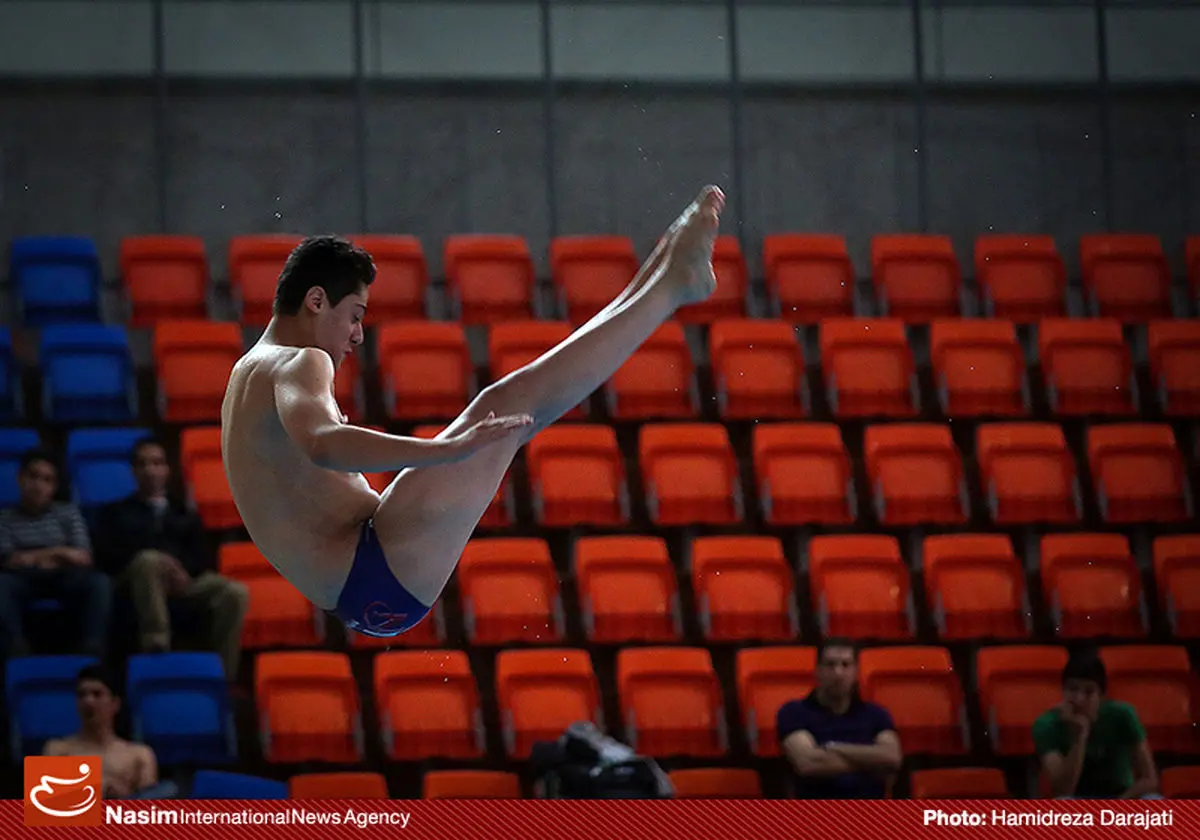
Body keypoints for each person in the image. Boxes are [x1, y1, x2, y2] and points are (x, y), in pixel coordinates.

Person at [221, 185, 725, 637]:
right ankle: (669, 284)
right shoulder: (300, 361)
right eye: (354, 315)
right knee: (507, 408)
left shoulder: (248, 371)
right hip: (374, 563)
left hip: (362, 586)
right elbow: (324, 445)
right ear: (315, 301)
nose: (357, 334)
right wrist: (445, 451)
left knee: (507, 410)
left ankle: (665, 273)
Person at [93, 436, 248, 680]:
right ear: (133, 471)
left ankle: (223, 675)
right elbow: (108, 556)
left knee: (235, 592)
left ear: (167, 470)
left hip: (183, 581)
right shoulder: (116, 512)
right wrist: (161, 563)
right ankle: (157, 644)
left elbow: (203, 558)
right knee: (148, 560)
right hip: (134, 580)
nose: (150, 470)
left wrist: (182, 573)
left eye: (156, 463)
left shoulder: (184, 513)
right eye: (143, 464)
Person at [0, 449, 111, 659]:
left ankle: (92, 651)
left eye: (47, 480)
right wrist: (60, 552)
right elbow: (10, 560)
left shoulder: (68, 512)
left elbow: (83, 557)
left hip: (65, 576)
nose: (38, 485)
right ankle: (16, 652)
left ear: (54, 487)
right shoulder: (4, 518)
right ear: (20, 478)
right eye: (33, 476)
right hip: (23, 580)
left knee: (99, 583)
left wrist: (39, 556)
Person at [777, 639, 903, 798]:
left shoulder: (876, 714)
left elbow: (892, 757)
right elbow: (808, 763)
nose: (838, 673)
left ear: (856, 672)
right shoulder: (794, 712)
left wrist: (833, 747)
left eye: (845, 665)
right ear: (817, 671)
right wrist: (871, 762)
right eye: (830, 665)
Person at [1033, 648, 1160, 799]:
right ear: (1063, 691)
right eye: (1072, 689)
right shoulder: (1046, 725)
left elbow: (1149, 779)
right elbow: (1063, 790)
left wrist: (1115, 808)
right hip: (1078, 801)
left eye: (1089, 692)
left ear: (1101, 696)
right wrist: (1079, 737)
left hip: (1121, 798)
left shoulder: (1123, 714)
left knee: (1153, 800)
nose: (1079, 699)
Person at [43, 664, 176, 799]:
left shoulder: (139, 756)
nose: (88, 701)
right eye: (81, 695)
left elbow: (147, 813)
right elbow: (45, 812)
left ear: (115, 704)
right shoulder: (57, 750)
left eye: (97, 694)